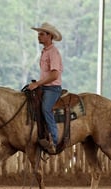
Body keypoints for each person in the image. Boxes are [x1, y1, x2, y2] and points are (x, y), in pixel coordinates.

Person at [28, 22, 63, 154]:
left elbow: (54, 75)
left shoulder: (53, 53)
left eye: (42, 34)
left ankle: (54, 141)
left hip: (53, 88)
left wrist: (37, 84)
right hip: (45, 87)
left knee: (46, 108)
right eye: (38, 34)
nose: (39, 36)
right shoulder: (45, 52)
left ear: (50, 36)